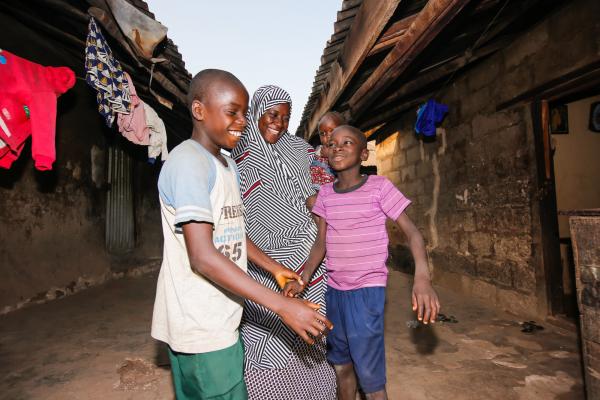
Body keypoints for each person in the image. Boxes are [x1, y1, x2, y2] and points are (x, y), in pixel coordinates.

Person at [151, 70, 332, 400]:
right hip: (200, 321)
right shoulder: (188, 163)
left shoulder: (225, 165)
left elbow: (231, 230)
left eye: (244, 113)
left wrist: (274, 267)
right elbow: (203, 256)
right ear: (199, 110)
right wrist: (281, 306)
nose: (242, 121)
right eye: (232, 112)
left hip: (224, 314)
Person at [285, 125, 441, 400]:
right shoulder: (326, 195)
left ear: (363, 154)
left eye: (347, 143)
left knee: (369, 376)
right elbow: (320, 243)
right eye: (332, 144)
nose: (338, 147)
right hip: (334, 292)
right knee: (342, 364)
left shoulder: (379, 187)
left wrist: (422, 278)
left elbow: (413, 233)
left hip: (367, 291)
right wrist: (304, 278)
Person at [231, 85, 337, 399]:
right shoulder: (239, 154)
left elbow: (321, 195)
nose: (278, 122)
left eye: (286, 117)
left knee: (312, 329)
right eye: (272, 114)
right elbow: (235, 216)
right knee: (268, 330)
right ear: (256, 113)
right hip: (264, 260)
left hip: (310, 259)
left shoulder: (301, 149)